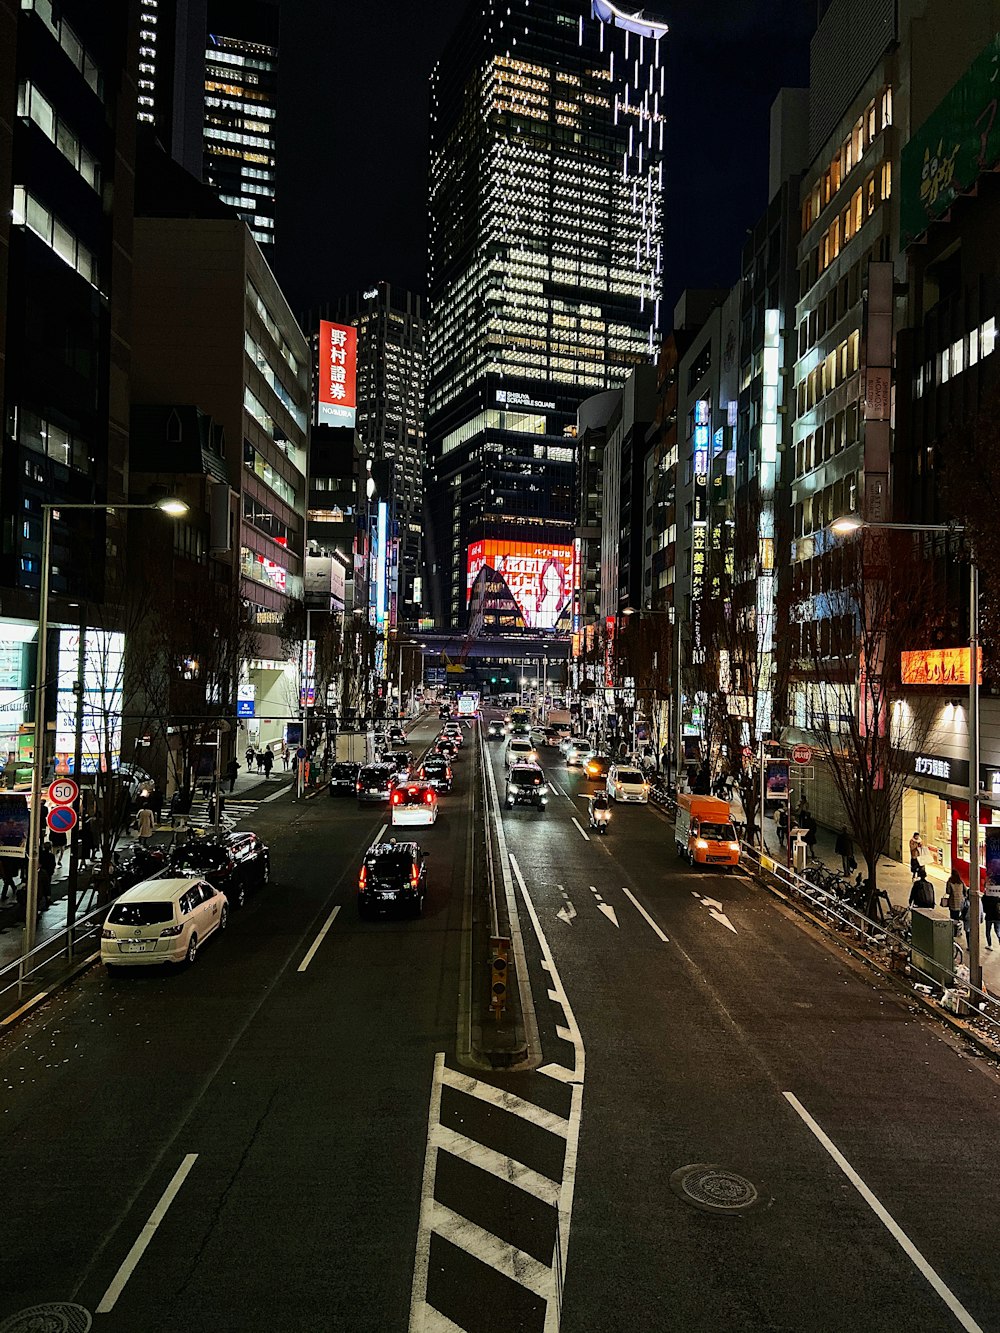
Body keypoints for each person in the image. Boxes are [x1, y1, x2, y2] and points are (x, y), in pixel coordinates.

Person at [38, 841, 55, 912]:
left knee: (42, 885)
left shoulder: (41, 854)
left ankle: (43, 898)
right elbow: (53, 864)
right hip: (48, 872)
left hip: (42, 872)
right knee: (47, 885)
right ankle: (47, 898)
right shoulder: (51, 856)